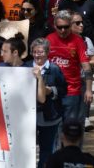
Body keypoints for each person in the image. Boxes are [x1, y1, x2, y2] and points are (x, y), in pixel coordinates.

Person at [26, 37, 67, 168]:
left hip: (49, 117)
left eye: (41, 51)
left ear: (47, 52)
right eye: (35, 51)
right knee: (27, 148)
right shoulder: (25, 67)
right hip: (28, 117)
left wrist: (52, 91)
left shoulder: (54, 69)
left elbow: (63, 89)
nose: (38, 54)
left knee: (46, 149)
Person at [47, 10, 93, 126]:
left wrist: (88, 90)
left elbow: (86, 66)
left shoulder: (78, 41)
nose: (63, 30)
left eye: (66, 27)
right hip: (53, 91)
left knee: (71, 128)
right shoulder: (48, 40)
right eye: (59, 27)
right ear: (54, 26)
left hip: (72, 92)